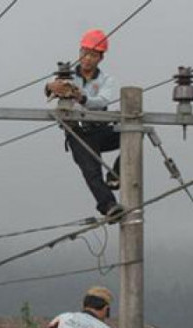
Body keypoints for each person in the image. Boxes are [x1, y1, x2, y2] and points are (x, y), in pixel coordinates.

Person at [45, 29, 124, 220]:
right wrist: (49, 87)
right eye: (85, 53)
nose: (87, 59)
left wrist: (82, 97)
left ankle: (116, 173)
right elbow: (51, 91)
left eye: (93, 55)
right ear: (80, 52)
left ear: (100, 58)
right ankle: (109, 206)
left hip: (100, 129)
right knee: (91, 171)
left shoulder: (106, 80)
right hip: (78, 132)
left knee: (133, 133)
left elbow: (102, 101)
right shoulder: (68, 76)